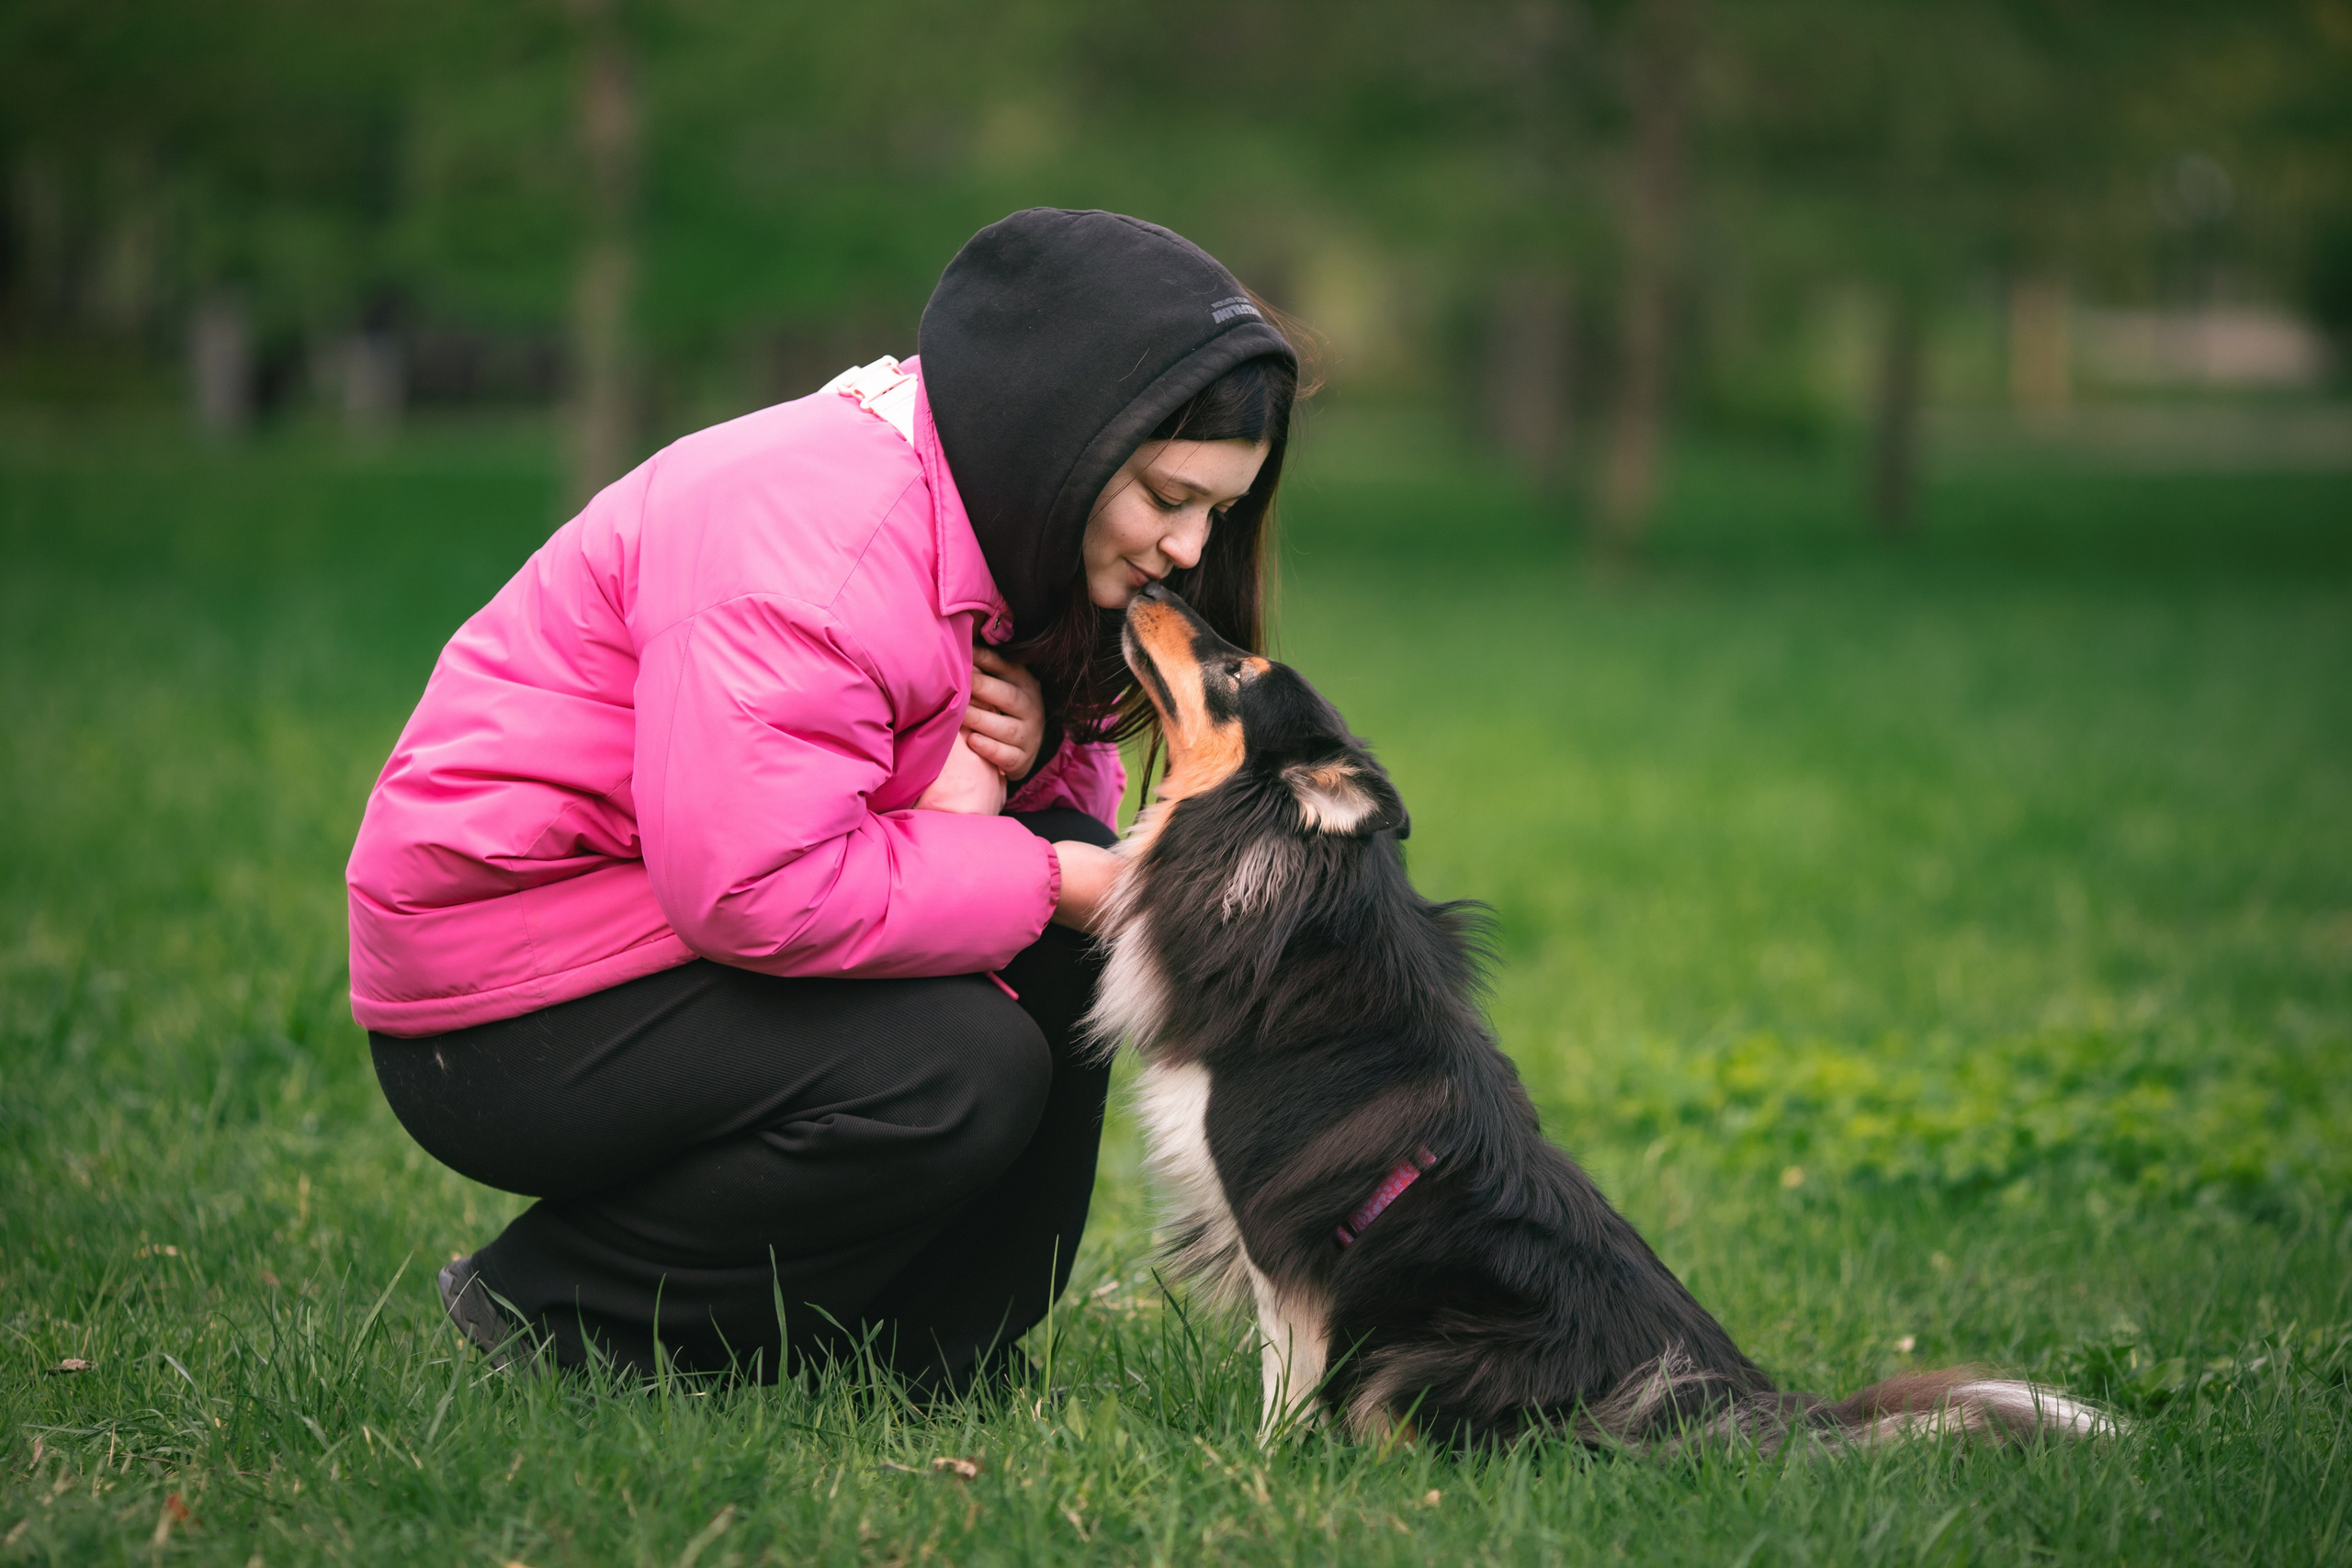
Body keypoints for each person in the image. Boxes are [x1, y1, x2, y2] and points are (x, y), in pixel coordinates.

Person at [346, 209, 1301, 1392]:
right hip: (505, 1002)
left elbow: (947, 792)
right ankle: (557, 1309)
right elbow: (754, 886)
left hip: (655, 936)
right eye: (1167, 496)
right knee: (959, 1061)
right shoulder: (818, 547)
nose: (1189, 547)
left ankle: (929, 1356)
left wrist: (1041, 747)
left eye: (1217, 509)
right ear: (1068, 431)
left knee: (1062, 911)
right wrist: (1049, 875)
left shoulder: (989, 502)